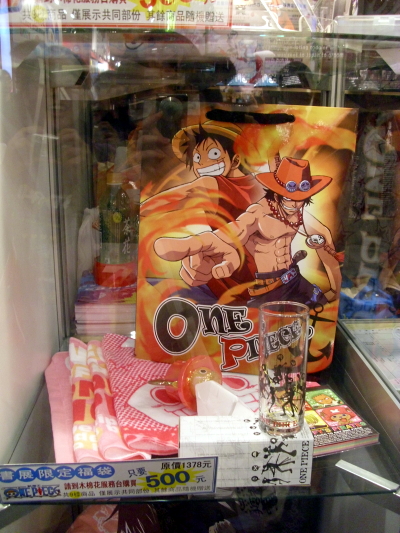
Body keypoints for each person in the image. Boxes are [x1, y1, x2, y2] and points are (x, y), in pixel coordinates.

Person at [154, 156, 342, 307]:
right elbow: (233, 232)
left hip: (297, 280)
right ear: (276, 192)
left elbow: (325, 238)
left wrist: (335, 289)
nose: (294, 203)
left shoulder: (299, 215)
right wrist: (206, 243)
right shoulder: (258, 213)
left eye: (300, 198)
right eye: (288, 197)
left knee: (320, 316)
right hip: (270, 290)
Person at [141, 120, 265, 301]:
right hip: (256, 283)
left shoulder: (210, 183)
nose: (202, 164)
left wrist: (134, 210)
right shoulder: (263, 185)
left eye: (214, 154)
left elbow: (152, 206)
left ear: (236, 159)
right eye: (197, 158)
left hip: (229, 283)